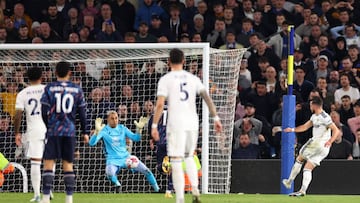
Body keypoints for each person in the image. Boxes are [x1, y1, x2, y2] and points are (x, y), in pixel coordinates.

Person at [151, 48, 223, 203]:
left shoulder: (166, 79)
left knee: (176, 159)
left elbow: (159, 104)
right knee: (189, 155)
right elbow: (207, 98)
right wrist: (216, 118)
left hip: (175, 123)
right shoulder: (193, 78)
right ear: (184, 61)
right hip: (192, 122)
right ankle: (195, 189)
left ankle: (180, 199)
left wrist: (154, 125)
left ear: (168, 61)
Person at [40, 61, 89, 203]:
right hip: (69, 131)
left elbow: (44, 110)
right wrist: (85, 131)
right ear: (69, 73)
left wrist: (48, 125)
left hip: (54, 131)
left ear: (56, 73)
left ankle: (45, 198)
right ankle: (69, 199)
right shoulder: (76, 89)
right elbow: (82, 113)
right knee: (68, 164)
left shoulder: (49, 88)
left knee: (49, 163)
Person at [282, 96, 341, 196]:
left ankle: (289, 182)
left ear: (314, 105)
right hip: (324, 149)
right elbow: (305, 127)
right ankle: (302, 191)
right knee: (308, 168)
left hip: (316, 144)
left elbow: (336, 130)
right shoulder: (315, 117)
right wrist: (292, 130)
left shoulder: (325, 117)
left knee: (300, 158)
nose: (310, 107)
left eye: (310, 105)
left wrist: (330, 141)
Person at [88, 111, 159, 192]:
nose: (115, 120)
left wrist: (139, 129)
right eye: (112, 118)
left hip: (126, 158)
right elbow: (91, 143)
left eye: (116, 118)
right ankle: (118, 185)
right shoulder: (103, 130)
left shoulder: (122, 128)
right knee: (109, 173)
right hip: (112, 159)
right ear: (107, 119)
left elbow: (136, 138)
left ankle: (157, 189)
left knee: (147, 171)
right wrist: (96, 133)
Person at [14, 67, 46, 202]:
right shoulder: (48, 89)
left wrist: (17, 132)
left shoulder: (23, 93)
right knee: (50, 161)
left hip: (34, 130)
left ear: (27, 77)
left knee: (35, 162)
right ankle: (48, 191)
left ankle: (37, 194)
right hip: (50, 129)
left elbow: (18, 115)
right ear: (42, 77)